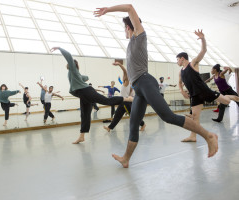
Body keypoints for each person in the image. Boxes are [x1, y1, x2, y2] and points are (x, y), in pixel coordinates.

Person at [94, 5, 219, 168]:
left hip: (145, 82)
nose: (124, 32)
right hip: (139, 88)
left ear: (128, 27)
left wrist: (107, 10)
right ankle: (126, 159)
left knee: (168, 116)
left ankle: (208, 136)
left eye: (124, 28)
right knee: (133, 124)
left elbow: (130, 8)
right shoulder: (131, 43)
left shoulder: (139, 36)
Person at [50, 47, 133, 144]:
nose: (68, 64)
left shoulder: (73, 70)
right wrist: (82, 78)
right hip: (83, 94)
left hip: (86, 91)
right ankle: (82, 136)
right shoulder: (75, 73)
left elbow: (68, 55)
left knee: (106, 101)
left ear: (72, 64)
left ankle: (127, 98)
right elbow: (86, 77)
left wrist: (59, 48)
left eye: (70, 63)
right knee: (84, 115)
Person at [177, 33, 239, 142]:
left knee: (226, 101)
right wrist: (182, 91)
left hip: (204, 91)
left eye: (177, 59)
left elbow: (203, 51)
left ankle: (233, 97)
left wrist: (203, 39)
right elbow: (179, 83)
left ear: (182, 58)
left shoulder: (193, 64)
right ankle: (193, 136)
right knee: (195, 117)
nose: (177, 61)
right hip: (195, 95)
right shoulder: (180, 72)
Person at [104, 62, 146, 132]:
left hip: (126, 103)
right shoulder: (129, 84)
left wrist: (119, 64)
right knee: (117, 115)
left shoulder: (126, 82)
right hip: (123, 102)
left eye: (124, 76)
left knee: (133, 116)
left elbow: (125, 71)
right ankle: (109, 128)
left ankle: (143, 124)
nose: (123, 76)